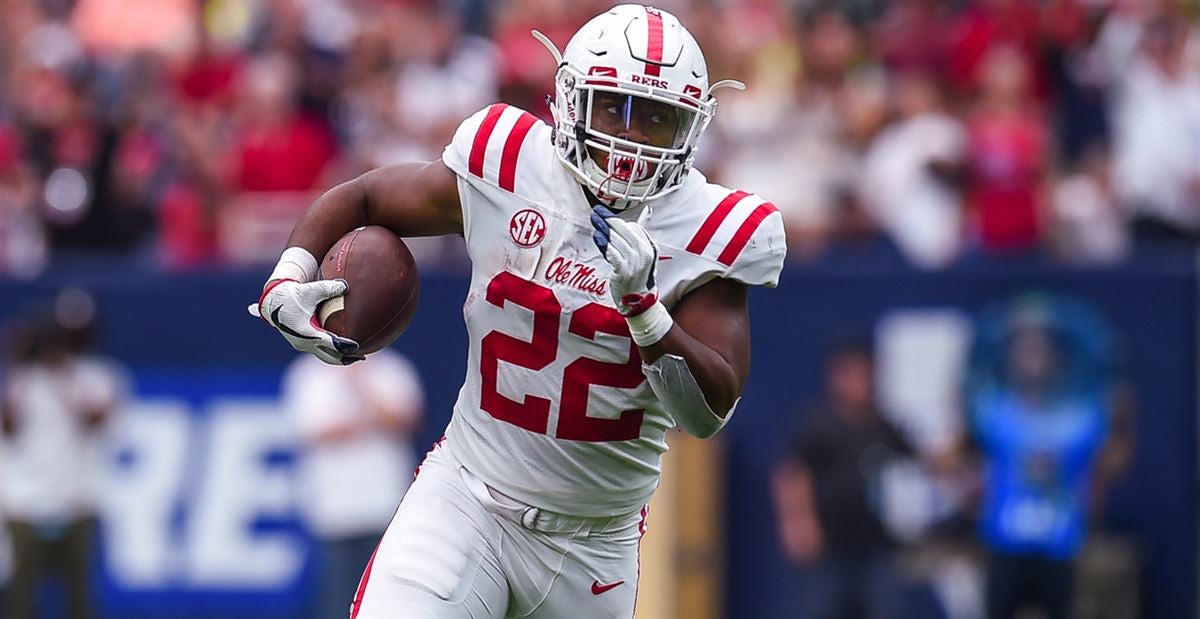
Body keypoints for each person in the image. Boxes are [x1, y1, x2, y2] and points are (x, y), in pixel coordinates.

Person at [249, 5, 786, 617]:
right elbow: (367, 195)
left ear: (691, 129)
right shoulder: (507, 164)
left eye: (657, 120)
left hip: (593, 548)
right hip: (467, 498)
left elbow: (706, 412)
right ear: (569, 99)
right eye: (615, 108)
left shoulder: (715, 228)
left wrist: (644, 310)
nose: (630, 142)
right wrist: (288, 273)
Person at [963, 295, 1133, 619]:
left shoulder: (1080, 419)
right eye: (1024, 349)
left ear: (1056, 356)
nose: (1032, 359)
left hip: (1059, 548)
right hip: (1005, 548)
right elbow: (964, 457)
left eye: (1040, 349)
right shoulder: (995, 414)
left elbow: (1114, 462)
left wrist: (1123, 421)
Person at [0, 295, 126, 619]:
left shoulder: (100, 376)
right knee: (21, 600)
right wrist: (15, 363)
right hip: (24, 502)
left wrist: (62, 376)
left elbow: (93, 420)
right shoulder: (22, 380)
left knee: (79, 598)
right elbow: (8, 427)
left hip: (78, 500)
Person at [772, 342, 914, 619]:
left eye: (868, 374)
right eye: (856, 375)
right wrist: (799, 524)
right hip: (830, 546)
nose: (864, 383)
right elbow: (792, 474)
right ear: (838, 377)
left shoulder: (882, 425)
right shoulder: (819, 424)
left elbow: (918, 462)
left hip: (875, 545)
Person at [282, 348, 424, 619]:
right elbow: (317, 433)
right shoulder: (308, 374)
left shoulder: (391, 368)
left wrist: (361, 384)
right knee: (337, 601)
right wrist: (368, 421)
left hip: (386, 508)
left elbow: (403, 419)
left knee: (390, 599)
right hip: (334, 513)